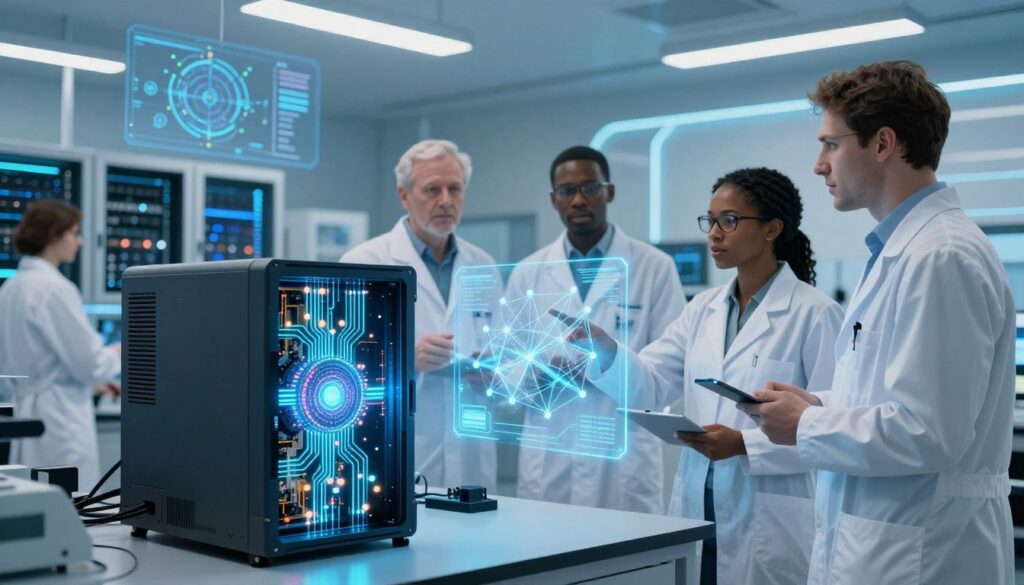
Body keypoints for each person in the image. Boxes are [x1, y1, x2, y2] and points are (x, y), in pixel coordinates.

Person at [743, 61, 1015, 585]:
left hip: (925, 554)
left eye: (831, 144)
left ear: (883, 143)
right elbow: (895, 399)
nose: (819, 164)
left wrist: (805, 426)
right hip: (884, 545)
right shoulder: (901, 252)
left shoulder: (941, 257)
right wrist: (818, 404)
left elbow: (932, 432)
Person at [582, 167, 843, 584]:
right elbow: (649, 382)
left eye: (730, 221)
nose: (714, 234)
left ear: (772, 229)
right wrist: (607, 350)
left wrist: (744, 443)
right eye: (710, 220)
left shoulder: (815, 314)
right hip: (696, 511)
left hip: (770, 521)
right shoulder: (701, 310)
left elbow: (832, 428)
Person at [507, 146, 687, 514]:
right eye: (566, 191)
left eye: (590, 188)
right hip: (550, 450)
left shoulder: (654, 267)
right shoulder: (529, 270)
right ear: (553, 200)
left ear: (610, 192)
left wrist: (610, 362)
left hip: (621, 455)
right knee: (547, 563)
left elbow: (672, 373)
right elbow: (506, 362)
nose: (578, 200)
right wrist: (532, 377)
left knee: (626, 568)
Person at [341, 139, 499, 490]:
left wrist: (494, 373)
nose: (446, 200)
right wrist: (408, 360)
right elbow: (339, 369)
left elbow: (501, 349)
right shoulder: (365, 263)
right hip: (398, 448)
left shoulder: (484, 266)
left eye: (455, 188)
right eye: (432, 189)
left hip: (471, 450)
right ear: (404, 195)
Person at [0, 200, 121, 489]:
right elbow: (91, 363)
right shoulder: (54, 289)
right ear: (54, 235)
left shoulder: (11, 287)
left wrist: (93, 386)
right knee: (69, 504)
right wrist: (122, 349)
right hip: (58, 421)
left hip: (27, 414)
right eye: (74, 233)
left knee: (33, 505)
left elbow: (37, 363)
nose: (78, 241)